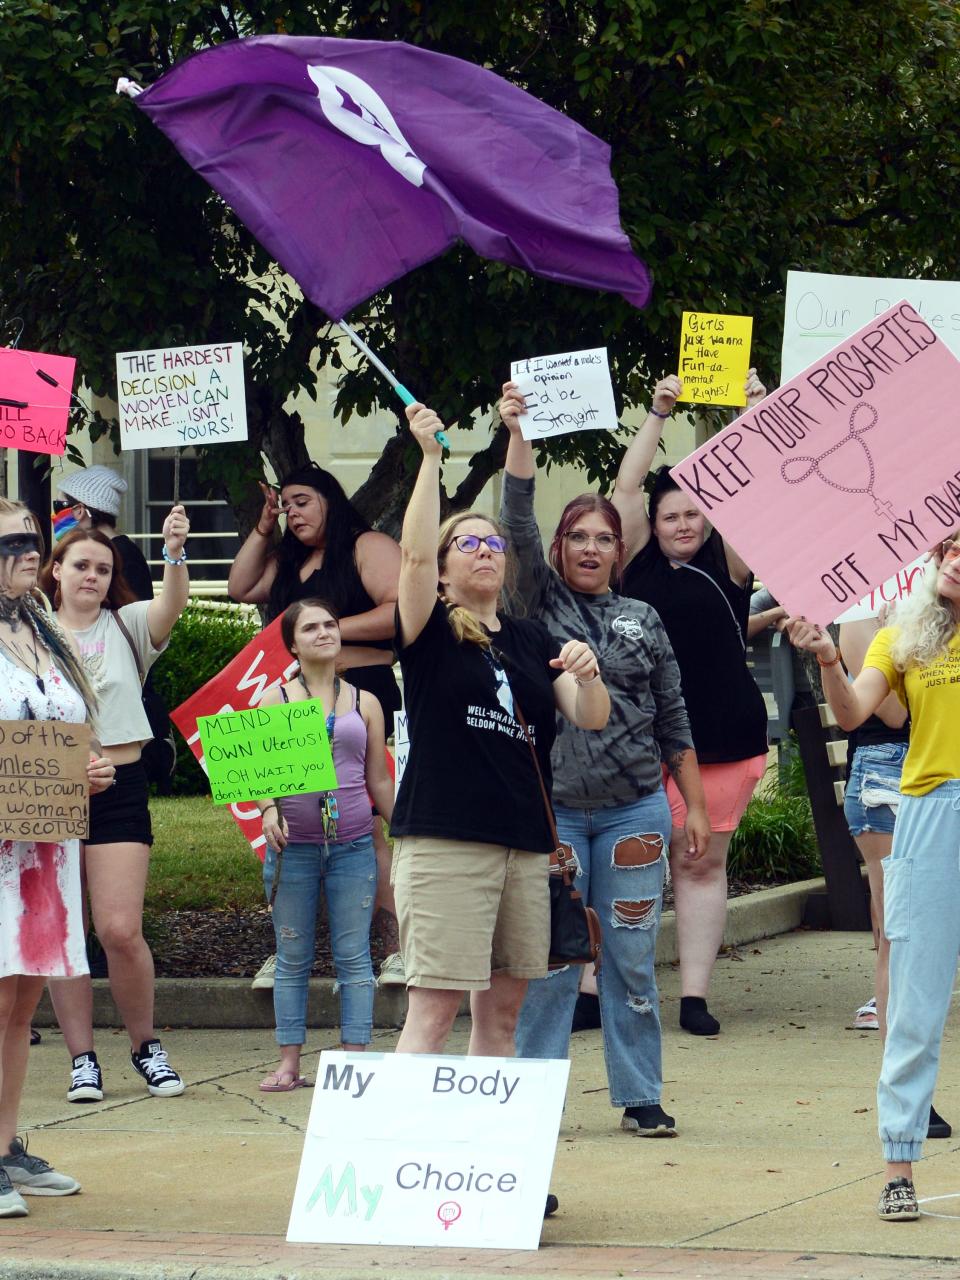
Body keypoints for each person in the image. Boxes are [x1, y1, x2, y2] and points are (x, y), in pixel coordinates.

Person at [498, 381, 710, 1137]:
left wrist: (697, 810)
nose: (591, 548)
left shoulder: (643, 617)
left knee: (629, 958)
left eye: (605, 538)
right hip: (552, 814)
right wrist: (518, 432)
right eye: (578, 537)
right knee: (554, 961)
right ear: (561, 549)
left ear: (622, 551)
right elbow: (514, 520)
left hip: (634, 811)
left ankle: (640, 1093)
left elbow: (674, 719)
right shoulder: (533, 602)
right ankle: (530, 1106)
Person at [391, 402, 610, 1059]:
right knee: (432, 1015)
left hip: (525, 847)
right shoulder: (428, 628)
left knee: (504, 1021)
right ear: (445, 564)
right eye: (468, 543)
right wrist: (431, 460)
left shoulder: (530, 637)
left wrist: (588, 671)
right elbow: (408, 554)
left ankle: (480, 1154)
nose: (485, 552)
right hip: (446, 841)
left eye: (494, 545)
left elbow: (590, 714)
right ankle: (401, 1152)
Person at [787, 532, 960, 1221]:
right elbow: (855, 712)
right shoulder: (905, 635)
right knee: (916, 995)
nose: (954, 558)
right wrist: (830, 658)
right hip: (931, 810)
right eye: (949, 548)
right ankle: (899, 1166)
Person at [615, 371, 769, 1036]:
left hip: (724, 740)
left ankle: (694, 998)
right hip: (639, 745)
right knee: (631, 862)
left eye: (693, 513)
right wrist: (658, 411)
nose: (683, 523)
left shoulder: (731, 563)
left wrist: (756, 412)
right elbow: (624, 488)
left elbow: (752, 490)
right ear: (653, 524)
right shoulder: (631, 565)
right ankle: (609, 987)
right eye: (671, 514)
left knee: (701, 862)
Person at [228, 464, 405, 987]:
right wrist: (263, 527)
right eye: (285, 504)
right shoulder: (286, 559)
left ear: (329, 497)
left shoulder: (365, 546)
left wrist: (320, 633)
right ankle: (287, 950)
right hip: (291, 700)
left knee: (366, 820)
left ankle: (395, 947)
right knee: (287, 821)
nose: (292, 512)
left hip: (360, 695)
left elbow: (402, 612)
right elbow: (241, 587)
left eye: (302, 500)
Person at [43, 509, 191, 1102]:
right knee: (66, 931)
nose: (93, 576)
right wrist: (70, 763)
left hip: (123, 786)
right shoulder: (28, 637)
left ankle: (145, 1045)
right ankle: (82, 1059)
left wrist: (174, 551)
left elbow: (171, 606)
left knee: (120, 929)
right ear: (56, 571)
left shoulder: (128, 626)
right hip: (51, 788)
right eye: (81, 565)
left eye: (104, 568)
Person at [0, 498, 114, 1218]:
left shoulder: (43, 629)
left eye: (34, 536)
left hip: (48, 843)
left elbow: (69, 727)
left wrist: (89, 768)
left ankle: (6, 1142)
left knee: (21, 1000)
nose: (30, 548)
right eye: (13, 539)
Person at [253, 597, 394, 1090]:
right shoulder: (276, 700)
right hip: (295, 847)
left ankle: (354, 1057)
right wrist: (269, 809)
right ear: (292, 643)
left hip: (354, 844)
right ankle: (288, 1063)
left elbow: (378, 778)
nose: (323, 633)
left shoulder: (365, 702)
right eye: (310, 627)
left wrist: (406, 829)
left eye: (330, 624)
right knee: (292, 955)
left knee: (355, 954)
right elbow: (259, 776)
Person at [55, 465, 153, 599]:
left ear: (79, 511)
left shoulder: (124, 555)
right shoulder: (123, 550)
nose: (55, 515)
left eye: (58, 506)